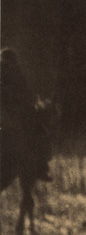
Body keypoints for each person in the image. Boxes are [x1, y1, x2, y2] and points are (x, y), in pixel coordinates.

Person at [0, 48, 52, 182]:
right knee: (39, 131)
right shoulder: (15, 72)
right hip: (13, 112)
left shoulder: (11, 71)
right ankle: (41, 166)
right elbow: (24, 94)